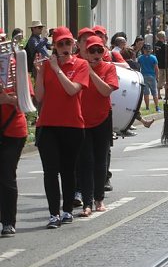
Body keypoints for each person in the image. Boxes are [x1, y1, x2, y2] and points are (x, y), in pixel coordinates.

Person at [34, 27, 90, 229]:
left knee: (67, 170)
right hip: (48, 125)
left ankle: (67, 210)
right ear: (54, 47)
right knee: (50, 171)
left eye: (68, 43)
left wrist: (57, 69)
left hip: (72, 125)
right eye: (60, 44)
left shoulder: (81, 64)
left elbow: (72, 90)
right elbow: (39, 96)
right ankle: (53, 214)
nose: (65, 47)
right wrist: (40, 72)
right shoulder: (47, 66)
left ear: (73, 45)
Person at [76, 36, 119, 216]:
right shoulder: (78, 66)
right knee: (86, 162)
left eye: (99, 50)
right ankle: (87, 202)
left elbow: (106, 91)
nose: (96, 54)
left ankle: (99, 199)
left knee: (101, 161)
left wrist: (91, 73)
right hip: (82, 120)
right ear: (85, 52)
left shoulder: (109, 67)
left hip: (102, 118)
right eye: (92, 50)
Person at [1, 51, 30, 236]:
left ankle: (8, 221)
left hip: (13, 130)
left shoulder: (16, 66)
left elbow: (26, 102)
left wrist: (8, 99)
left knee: (6, 174)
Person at [138, 44, 160, 112]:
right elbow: (156, 68)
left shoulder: (140, 58)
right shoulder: (153, 58)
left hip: (143, 76)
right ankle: (157, 107)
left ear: (143, 50)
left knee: (146, 93)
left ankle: (147, 107)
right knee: (154, 92)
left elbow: (139, 67)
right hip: (152, 76)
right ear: (151, 50)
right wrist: (157, 77)